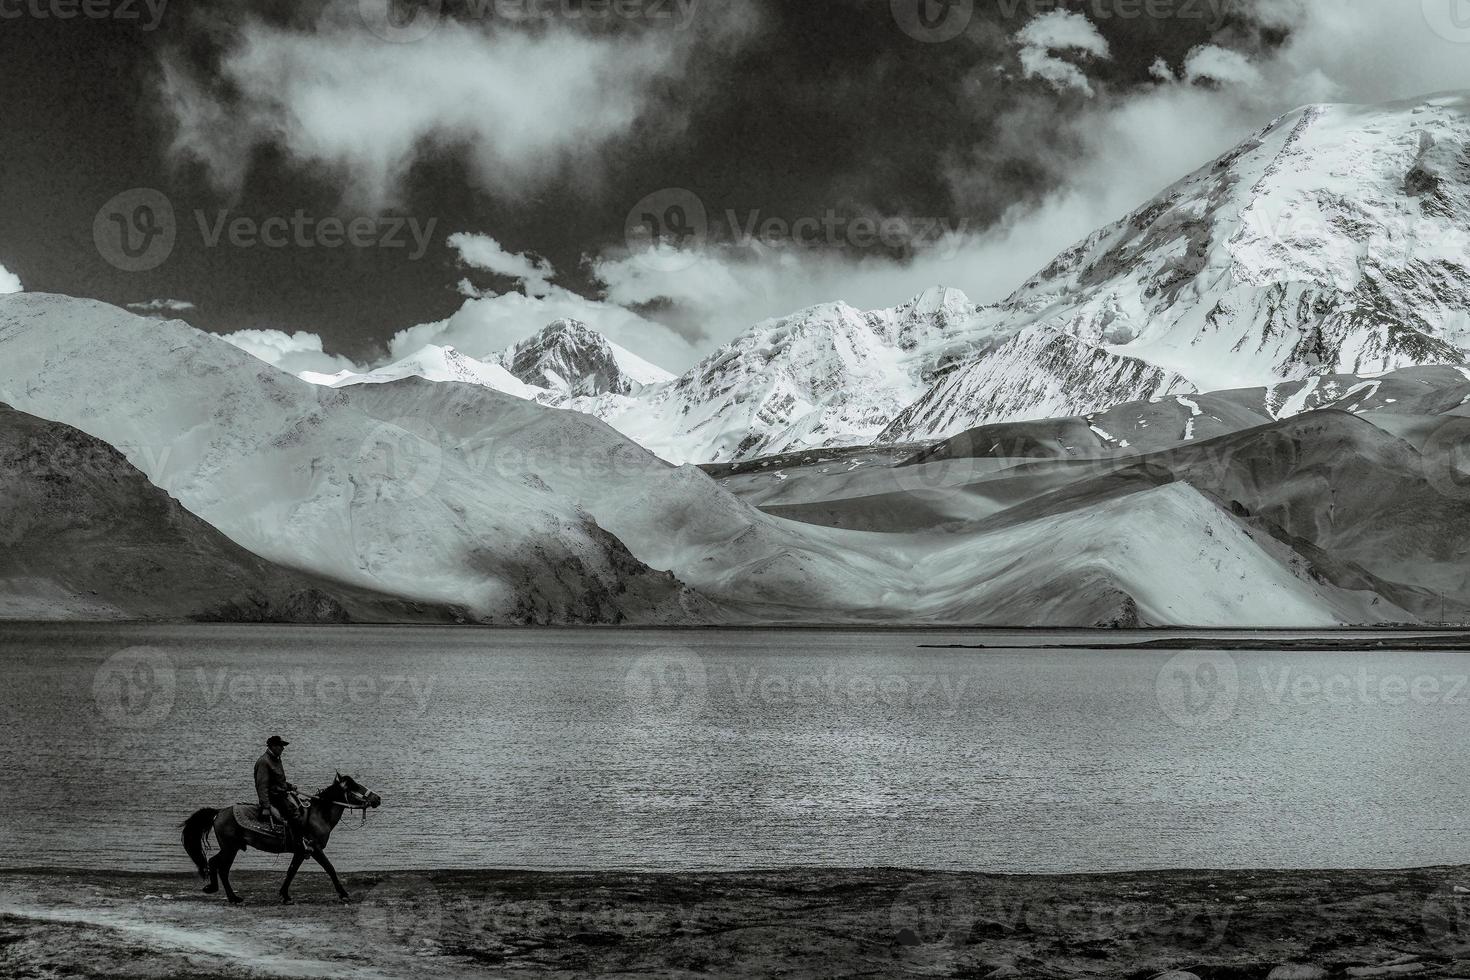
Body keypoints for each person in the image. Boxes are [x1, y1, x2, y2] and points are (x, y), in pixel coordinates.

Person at [254, 735, 308, 850]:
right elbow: (262, 786)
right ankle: (299, 844)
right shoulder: (264, 761)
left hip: (281, 794)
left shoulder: (276, 759)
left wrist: (289, 786)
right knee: (295, 815)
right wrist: (266, 806)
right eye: (281, 746)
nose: (283, 749)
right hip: (275, 797)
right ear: (273, 746)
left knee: (302, 807)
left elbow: (276, 781)